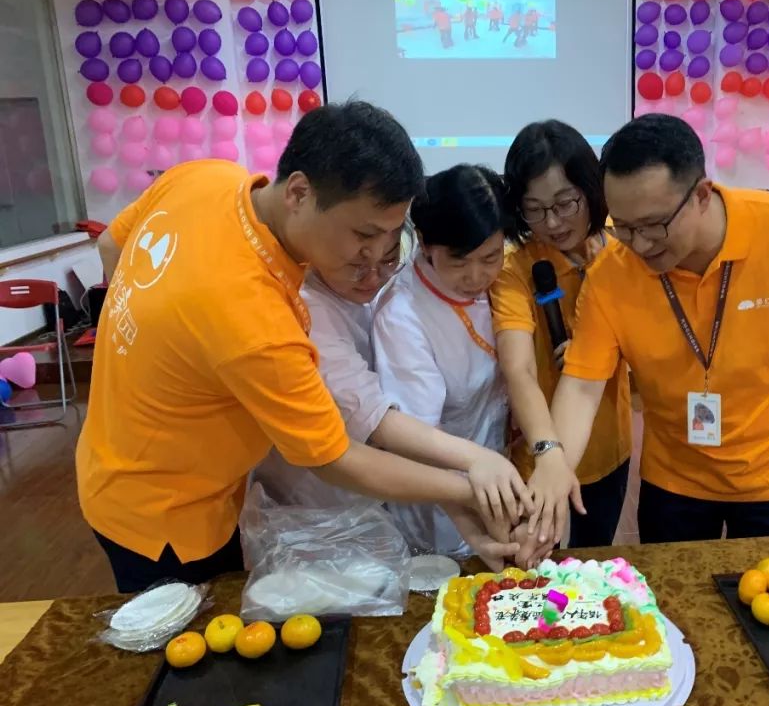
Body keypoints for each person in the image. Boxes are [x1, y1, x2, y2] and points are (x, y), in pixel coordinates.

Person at [81, 102, 525, 592]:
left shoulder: (203, 179)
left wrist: (149, 346)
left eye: (390, 242)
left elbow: (112, 246)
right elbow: (335, 457)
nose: (374, 256)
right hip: (166, 510)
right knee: (194, 629)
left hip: (119, 458)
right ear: (298, 192)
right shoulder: (253, 314)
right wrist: (468, 485)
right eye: (363, 235)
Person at [545, 114, 769, 544]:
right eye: (622, 228)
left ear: (700, 195)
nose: (639, 244)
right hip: (672, 480)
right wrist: (555, 463)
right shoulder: (612, 273)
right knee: (672, 586)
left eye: (653, 225)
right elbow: (583, 384)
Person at [250, 221, 524, 571]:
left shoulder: (380, 288)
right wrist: (477, 465)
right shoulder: (307, 310)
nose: (373, 277)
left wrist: (467, 512)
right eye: (357, 265)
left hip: (376, 500)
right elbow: (375, 420)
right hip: (313, 511)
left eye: (389, 259)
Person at [373, 165, 543, 563]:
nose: (476, 275)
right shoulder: (402, 314)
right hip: (440, 493)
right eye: (459, 261)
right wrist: (477, 506)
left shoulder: (503, 278)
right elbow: (416, 438)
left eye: (490, 257)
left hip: (495, 467)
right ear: (426, 243)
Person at [493, 120, 633, 549]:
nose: (552, 222)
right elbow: (518, 370)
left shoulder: (624, 259)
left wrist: (604, 351)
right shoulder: (515, 269)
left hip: (609, 451)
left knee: (593, 565)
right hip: (539, 457)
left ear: (591, 190)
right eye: (534, 209)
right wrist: (548, 451)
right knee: (535, 567)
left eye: (565, 203)